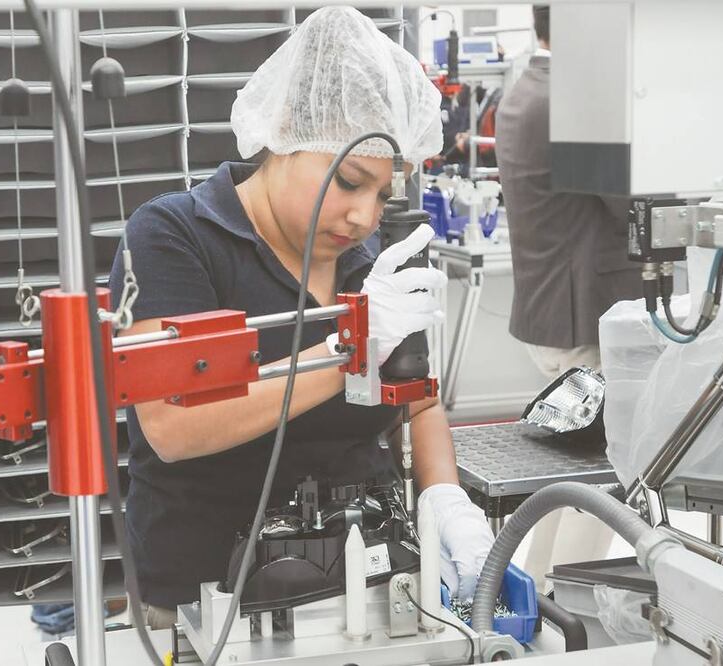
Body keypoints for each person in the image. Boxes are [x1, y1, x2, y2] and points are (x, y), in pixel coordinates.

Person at [110, 6, 495, 630]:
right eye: (348, 182)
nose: (365, 217)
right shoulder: (173, 235)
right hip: (205, 603)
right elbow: (171, 425)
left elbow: (420, 401)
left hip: (367, 585)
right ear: (287, 130)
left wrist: (446, 502)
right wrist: (347, 350)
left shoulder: (372, 258)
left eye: (383, 193)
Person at [494, 6, 641, 589]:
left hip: (553, 309)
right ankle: (573, 604)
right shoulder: (574, 99)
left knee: (574, 480)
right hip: (587, 317)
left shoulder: (528, 88)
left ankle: (540, 599)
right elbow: (634, 206)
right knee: (607, 482)